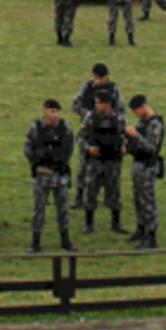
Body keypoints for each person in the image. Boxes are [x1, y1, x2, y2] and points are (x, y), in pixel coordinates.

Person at [24, 99, 77, 253]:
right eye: (52, 112)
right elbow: (28, 149)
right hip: (42, 174)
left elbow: (69, 150)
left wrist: (58, 160)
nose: (55, 115)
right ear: (45, 112)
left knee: (63, 209)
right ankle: (35, 241)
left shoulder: (65, 128)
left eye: (57, 112)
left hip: (60, 174)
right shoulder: (36, 127)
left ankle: (65, 240)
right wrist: (38, 161)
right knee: (39, 208)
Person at [72, 64, 122, 212]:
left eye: (99, 78)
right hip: (91, 128)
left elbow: (120, 109)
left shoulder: (114, 90)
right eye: (95, 77)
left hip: (109, 131)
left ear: (106, 77)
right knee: (83, 165)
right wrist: (86, 114)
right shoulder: (87, 87)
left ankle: (111, 201)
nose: (96, 81)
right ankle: (79, 195)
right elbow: (76, 104)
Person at [78, 95, 130, 236]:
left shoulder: (119, 119)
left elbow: (130, 137)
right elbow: (80, 137)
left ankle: (116, 223)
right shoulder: (91, 118)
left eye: (99, 103)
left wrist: (126, 149)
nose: (97, 106)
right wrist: (88, 148)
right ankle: (88, 224)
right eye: (96, 103)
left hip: (113, 162)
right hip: (95, 162)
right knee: (91, 193)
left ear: (108, 104)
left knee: (114, 193)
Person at [125, 94, 165, 249]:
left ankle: (151, 235)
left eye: (136, 111)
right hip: (139, 164)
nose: (135, 114)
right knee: (138, 198)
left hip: (148, 166)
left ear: (143, 107)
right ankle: (141, 228)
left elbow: (151, 147)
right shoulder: (144, 122)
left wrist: (136, 136)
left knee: (148, 200)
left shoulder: (156, 124)